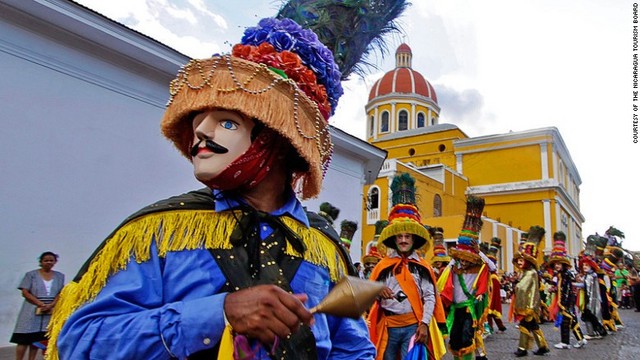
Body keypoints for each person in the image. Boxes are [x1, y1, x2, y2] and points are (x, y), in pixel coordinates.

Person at [44, 9, 414, 358]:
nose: (201, 131)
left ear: (279, 139)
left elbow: (352, 350)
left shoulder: (324, 248)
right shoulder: (159, 231)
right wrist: (215, 314)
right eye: (200, 118)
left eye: (227, 122)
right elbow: (77, 343)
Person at [368, 173, 446, 360]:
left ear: (414, 238)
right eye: (399, 236)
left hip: (413, 326)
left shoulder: (422, 267)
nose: (403, 240)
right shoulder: (382, 266)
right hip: (388, 327)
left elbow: (429, 297)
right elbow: (367, 295)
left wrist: (424, 324)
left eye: (407, 236)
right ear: (393, 238)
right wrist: (377, 290)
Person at [437, 195, 493, 360]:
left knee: (466, 340)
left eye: (465, 258)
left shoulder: (479, 269)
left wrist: (478, 251)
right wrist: (456, 256)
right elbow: (444, 273)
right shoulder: (453, 268)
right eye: (460, 258)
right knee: (455, 342)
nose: (462, 261)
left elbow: (492, 267)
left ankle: (476, 356)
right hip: (455, 308)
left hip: (468, 309)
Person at [10, 252, 65, 360]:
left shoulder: (60, 276)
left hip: (49, 310)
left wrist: (51, 305)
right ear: (41, 262)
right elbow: (25, 292)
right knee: (24, 338)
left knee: (37, 338)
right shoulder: (31, 275)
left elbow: (61, 292)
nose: (48, 262)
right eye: (46, 260)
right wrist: (40, 303)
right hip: (31, 307)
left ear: (55, 262)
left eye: (51, 260)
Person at [512, 226, 550, 357]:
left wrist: (515, 285)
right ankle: (542, 346)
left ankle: (522, 349)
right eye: (518, 260)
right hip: (531, 306)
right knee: (533, 327)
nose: (519, 262)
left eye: (522, 260)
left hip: (528, 307)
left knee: (525, 326)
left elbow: (521, 288)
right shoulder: (529, 272)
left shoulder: (530, 273)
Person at [545, 231, 586, 350]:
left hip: (566, 302)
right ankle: (578, 339)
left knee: (567, 322)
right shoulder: (561, 274)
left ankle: (567, 342)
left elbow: (567, 288)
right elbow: (561, 287)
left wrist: (564, 302)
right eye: (555, 264)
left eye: (559, 264)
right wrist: (554, 289)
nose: (557, 266)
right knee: (570, 321)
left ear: (563, 264)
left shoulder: (566, 274)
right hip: (565, 302)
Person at [484, 237, 507, 334]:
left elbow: (493, 290)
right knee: (491, 314)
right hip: (489, 298)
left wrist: (489, 301)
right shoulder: (490, 275)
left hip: (492, 299)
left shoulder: (493, 277)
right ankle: (499, 327)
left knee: (490, 313)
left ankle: (491, 328)